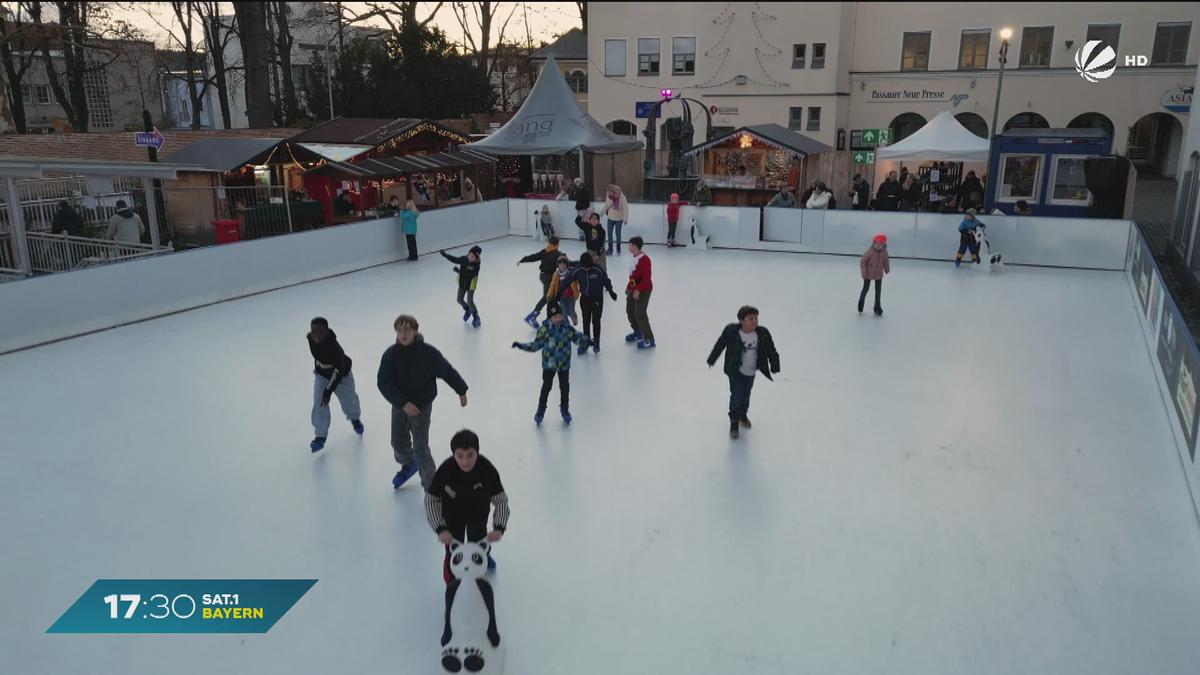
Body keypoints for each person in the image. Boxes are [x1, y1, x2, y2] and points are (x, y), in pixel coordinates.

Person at [377, 314, 469, 491]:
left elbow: (447, 371)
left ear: (415, 331)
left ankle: (432, 487)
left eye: (407, 330)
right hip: (399, 405)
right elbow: (384, 382)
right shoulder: (391, 354)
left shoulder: (428, 353)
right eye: (399, 330)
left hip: (421, 406)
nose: (403, 334)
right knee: (397, 442)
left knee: (420, 447)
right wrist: (403, 403)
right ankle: (408, 464)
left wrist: (461, 390)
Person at [426, 429, 509, 580]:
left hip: (478, 515)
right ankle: (452, 583)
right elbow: (431, 500)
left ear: (477, 452)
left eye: (470, 455)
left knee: (477, 542)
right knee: (453, 550)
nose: (465, 461)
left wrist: (498, 527)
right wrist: (440, 529)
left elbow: (501, 500)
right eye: (460, 456)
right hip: (452, 516)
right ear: (454, 455)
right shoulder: (446, 471)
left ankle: (481, 560)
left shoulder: (486, 470)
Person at [705, 306, 781, 439]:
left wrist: (774, 365)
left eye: (756, 318)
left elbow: (771, 349)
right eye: (750, 319)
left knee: (746, 394)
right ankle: (734, 420)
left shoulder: (762, 333)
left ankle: (742, 413)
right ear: (741, 320)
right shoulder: (731, 331)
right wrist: (712, 358)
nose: (754, 321)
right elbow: (720, 344)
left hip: (751, 371)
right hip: (735, 370)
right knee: (736, 394)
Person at [511, 302, 591, 424]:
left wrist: (587, 341)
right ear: (549, 317)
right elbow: (535, 345)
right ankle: (540, 410)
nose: (558, 319)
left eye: (559, 316)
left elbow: (576, 337)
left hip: (564, 364)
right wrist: (521, 346)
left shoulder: (566, 327)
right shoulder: (544, 330)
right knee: (546, 387)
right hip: (549, 365)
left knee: (564, 387)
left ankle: (565, 409)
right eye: (555, 317)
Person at [307, 317, 364, 453]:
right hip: (322, 375)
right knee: (319, 403)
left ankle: (355, 418)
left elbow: (338, 371)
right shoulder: (310, 339)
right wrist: (324, 390)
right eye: (314, 331)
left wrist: (328, 392)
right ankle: (320, 436)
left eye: (321, 331)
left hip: (342, 375)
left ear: (327, 331)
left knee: (349, 400)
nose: (317, 335)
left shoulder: (334, 348)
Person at [559, 252, 618, 355]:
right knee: (586, 321)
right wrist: (559, 293)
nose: (586, 269)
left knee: (596, 320)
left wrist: (611, 291)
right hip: (585, 298)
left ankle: (596, 342)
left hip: (597, 298)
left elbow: (606, 280)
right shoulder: (578, 269)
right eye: (584, 267)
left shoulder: (597, 269)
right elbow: (567, 280)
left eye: (588, 267)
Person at [518, 235, 562, 328]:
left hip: (543, 275)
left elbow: (534, 257)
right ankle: (534, 315)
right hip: (549, 278)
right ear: (557, 244)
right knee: (548, 297)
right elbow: (566, 263)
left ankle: (548, 317)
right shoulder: (557, 254)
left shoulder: (545, 251)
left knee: (550, 297)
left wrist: (523, 259)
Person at [440, 245, 483, 327]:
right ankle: (468, 310)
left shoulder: (476, 266)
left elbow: (471, 275)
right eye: (470, 255)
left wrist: (459, 271)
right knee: (459, 299)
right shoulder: (464, 259)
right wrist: (446, 255)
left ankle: (476, 316)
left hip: (470, 285)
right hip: (462, 283)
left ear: (476, 258)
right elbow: (455, 259)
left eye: (473, 256)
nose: (470, 257)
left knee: (470, 301)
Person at [624, 236, 655, 349]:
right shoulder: (634, 257)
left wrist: (638, 290)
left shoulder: (645, 259)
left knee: (640, 313)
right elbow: (633, 276)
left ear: (635, 246)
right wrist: (629, 286)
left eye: (630, 245)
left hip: (644, 289)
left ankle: (649, 338)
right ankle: (638, 331)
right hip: (634, 288)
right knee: (630, 310)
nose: (629, 247)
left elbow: (647, 277)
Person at [859, 234, 891, 315]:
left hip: (878, 274)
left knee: (878, 290)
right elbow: (863, 262)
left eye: (880, 244)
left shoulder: (884, 252)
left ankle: (877, 306)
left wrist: (887, 269)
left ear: (884, 245)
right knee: (865, 288)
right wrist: (864, 272)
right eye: (876, 244)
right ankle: (861, 303)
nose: (877, 246)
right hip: (868, 273)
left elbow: (886, 261)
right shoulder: (870, 252)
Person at [546, 255, 580, 326]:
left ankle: (573, 317)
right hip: (562, 297)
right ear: (558, 265)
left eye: (564, 264)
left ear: (567, 265)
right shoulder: (556, 274)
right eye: (560, 264)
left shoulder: (571, 273)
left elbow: (579, 281)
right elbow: (553, 285)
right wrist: (550, 295)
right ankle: (566, 327)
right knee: (563, 313)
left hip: (571, 296)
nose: (562, 266)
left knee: (571, 311)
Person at [600, 184, 629, 256]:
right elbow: (606, 205)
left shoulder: (622, 198)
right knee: (609, 233)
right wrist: (601, 213)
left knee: (617, 233)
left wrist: (625, 218)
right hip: (610, 217)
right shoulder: (609, 196)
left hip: (619, 218)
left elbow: (626, 208)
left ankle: (618, 248)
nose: (609, 194)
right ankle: (610, 248)